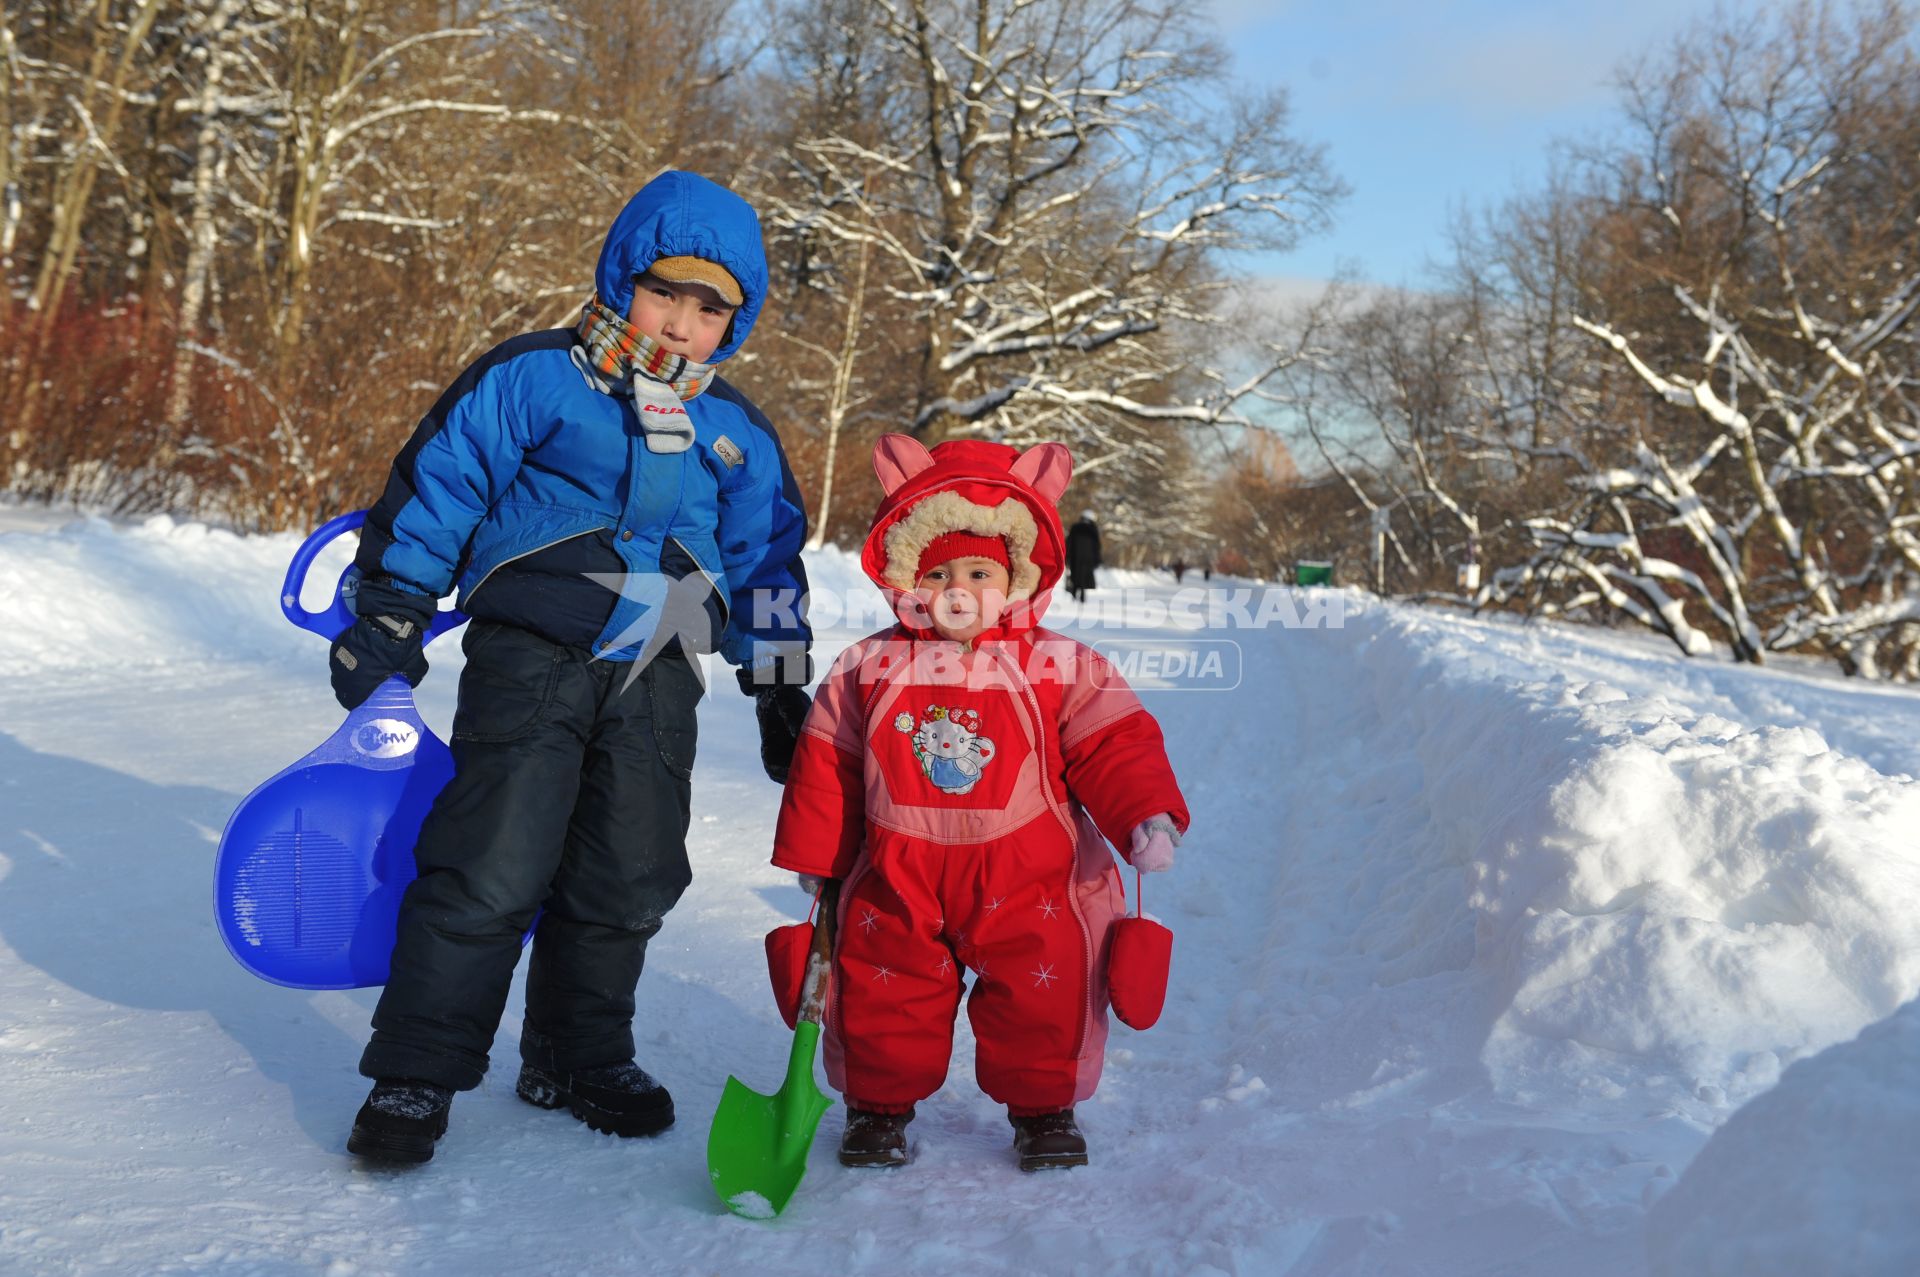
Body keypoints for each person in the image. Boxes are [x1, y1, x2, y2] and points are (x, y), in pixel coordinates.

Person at [329, 170, 813, 1164]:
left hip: (661, 660)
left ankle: (575, 1048)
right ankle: (418, 1067)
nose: (680, 322)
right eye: (664, 291)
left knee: (630, 867)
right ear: (622, 276)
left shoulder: (739, 434)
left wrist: (780, 683)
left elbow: (768, 558)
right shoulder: (539, 378)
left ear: (737, 319)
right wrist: (389, 611)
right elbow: (442, 487)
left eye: (708, 306)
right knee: (491, 860)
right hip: (533, 648)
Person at [770, 435, 1189, 1171]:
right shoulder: (867, 666)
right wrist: (817, 855)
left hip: (1031, 878)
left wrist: (1142, 813)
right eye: (938, 573)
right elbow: (829, 762)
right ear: (907, 577)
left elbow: (1112, 741)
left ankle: (1042, 1106)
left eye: (979, 572)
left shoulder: (1059, 665)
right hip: (898, 871)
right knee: (880, 986)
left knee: (1044, 989)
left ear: (1016, 577)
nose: (957, 590)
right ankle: (878, 1105)